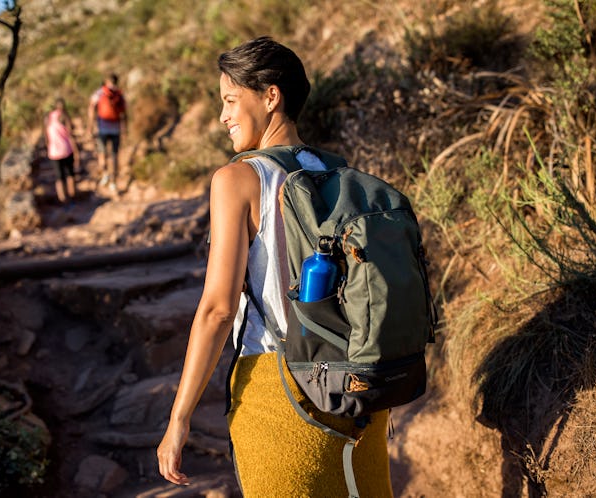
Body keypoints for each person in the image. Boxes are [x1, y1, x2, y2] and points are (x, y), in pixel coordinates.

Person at [156, 37, 393, 497]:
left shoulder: (238, 179)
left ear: (270, 95)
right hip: (362, 390)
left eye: (229, 100)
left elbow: (217, 311)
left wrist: (178, 418)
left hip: (280, 391)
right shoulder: (341, 174)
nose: (223, 116)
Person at [87, 72, 127, 193]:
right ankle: (113, 182)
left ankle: (105, 174)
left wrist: (90, 126)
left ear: (107, 81)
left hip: (102, 129)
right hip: (116, 129)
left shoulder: (100, 92)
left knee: (102, 153)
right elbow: (124, 113)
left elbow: (91, 108)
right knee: (114, 155)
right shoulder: (119, 94)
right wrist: (125, 128)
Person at [44, 97, 79, 206]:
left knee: (59, 177)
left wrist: (49, 146)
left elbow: (46, 136)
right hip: (67, 150)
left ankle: (63, 200)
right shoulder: (64, 116)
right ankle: (72, 198)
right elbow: (70, 135)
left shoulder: (48, 118)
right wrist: (76, 151)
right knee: (70, 174)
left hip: (54, 152)